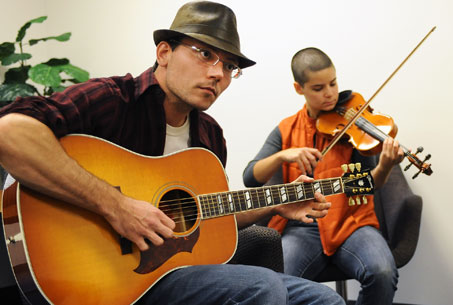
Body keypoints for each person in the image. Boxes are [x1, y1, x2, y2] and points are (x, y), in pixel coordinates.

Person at [0, 2, 344, 304]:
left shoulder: (209, 136)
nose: (216, 74)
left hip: (172, 272)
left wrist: (273, 203)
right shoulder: (112, 100)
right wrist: (116, 205)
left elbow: (208, 212)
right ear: (164, 52)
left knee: (323, 299)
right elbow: (10, 133)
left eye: (228, 66)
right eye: (205, 54)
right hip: (102, 278)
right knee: (262, 286)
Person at [242, 47, 405, 304]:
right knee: (274, 283)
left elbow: (365, 185)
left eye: (333, 83)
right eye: (318, 88)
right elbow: (250, 177)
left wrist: (384, 166)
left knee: (383, 272)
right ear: (299, 88)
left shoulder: (353, 126)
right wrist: (283, 155)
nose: (330, 93)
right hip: (303, 226)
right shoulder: (286, 129)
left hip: (351, 222)